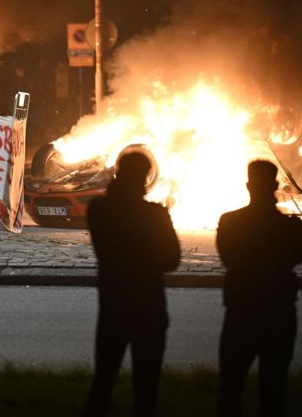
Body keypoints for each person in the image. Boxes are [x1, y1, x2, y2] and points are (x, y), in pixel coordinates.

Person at [84, 151, 180, 417]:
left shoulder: (99, 209)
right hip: (149, 308)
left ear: (118, 172)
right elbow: (172, 260)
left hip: (114, 307)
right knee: (146, 388)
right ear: (145, 178)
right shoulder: (155, 214)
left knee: (103, 380)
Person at [215, 160, 302, 417]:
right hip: (278, 313)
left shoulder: (230, 222)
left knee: (230, 389)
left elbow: (228, 257)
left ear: (248, 186)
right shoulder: (290, 227)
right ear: (275, 185)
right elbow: (300, 256)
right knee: (274, 391)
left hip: (241, 312)